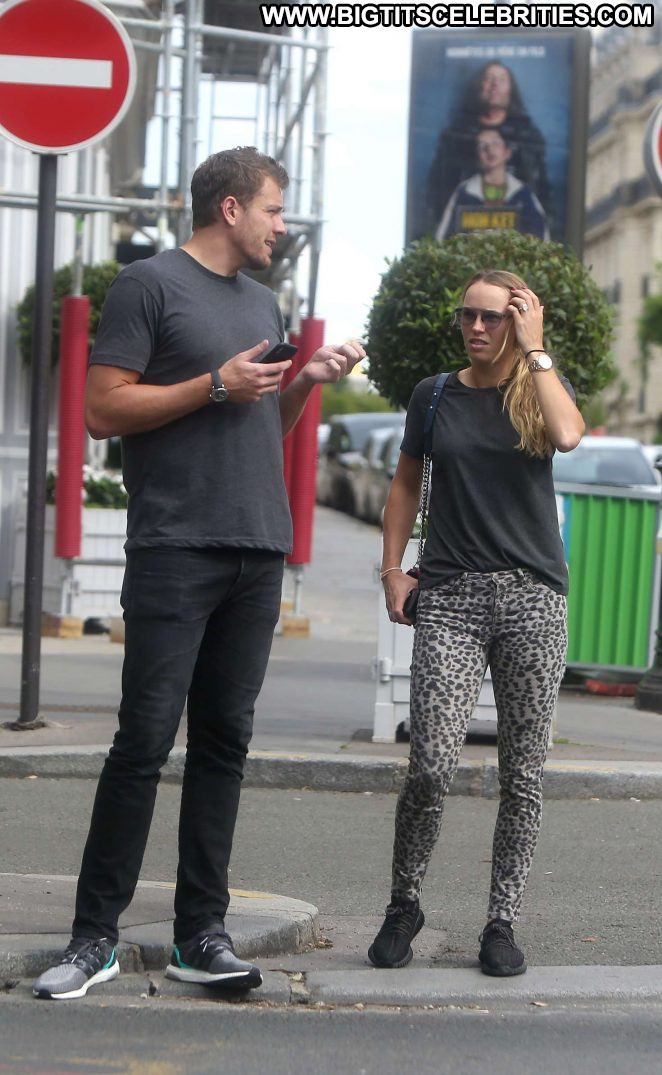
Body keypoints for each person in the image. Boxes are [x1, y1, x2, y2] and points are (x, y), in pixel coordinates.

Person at [33, 146, 365, 1001]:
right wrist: (213, 383)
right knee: (143, 742)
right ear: (230, 208)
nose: (282, 226)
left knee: (223, 746)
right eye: (274, 209)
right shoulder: (148, 286)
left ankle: (200, 936)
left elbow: (260, 425)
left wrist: (303, 383)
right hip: (176, 548)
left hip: (257, 549)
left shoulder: (261, 300)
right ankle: (93, 938)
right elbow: (102, 408)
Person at [369, 270, 584, 976]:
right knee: (430, 765)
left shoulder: (538, 386)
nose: (478, 328)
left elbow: (568, 434)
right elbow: (406, 482)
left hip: (533, 600)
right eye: (469, 315)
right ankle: (404, 903)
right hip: (452, 598)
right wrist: (393, 569)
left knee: (523, 775)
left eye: (494, 317)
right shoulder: (435, 395)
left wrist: (537, 348)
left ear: (519, 320)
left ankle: (502, 922)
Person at [420, 62, 550, 241]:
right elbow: (436, 193)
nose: (494, 85)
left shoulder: (527, 137)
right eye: (489, 78)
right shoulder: (456, 135)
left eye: (501, 79)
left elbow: (543, 195)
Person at [435, 127, 549, 241]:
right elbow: (443, 238)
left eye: (495, 143)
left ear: (507, 152)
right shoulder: (464, 192)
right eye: (482, 146)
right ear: (477, 157)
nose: (489, 149)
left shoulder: (523, 193)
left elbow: (541, 238)